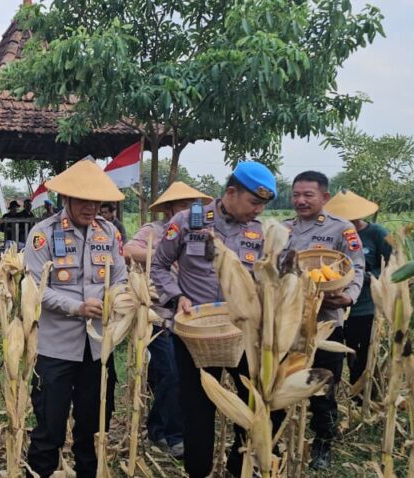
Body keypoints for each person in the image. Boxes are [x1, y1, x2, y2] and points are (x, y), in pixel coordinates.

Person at [150, 161, 278, 478]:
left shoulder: (261, 232)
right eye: (254, 202)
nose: (258, 210)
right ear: (231, 192)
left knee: (252, 400)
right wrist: (176, 297)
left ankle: (241, 465)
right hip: (195, 332)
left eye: (262, 204)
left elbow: (268, 278)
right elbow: (159, 266)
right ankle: (198, 469)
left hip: (242, 333)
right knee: (197, 407)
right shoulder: (187, 221)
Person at [24, 159, 127, 478]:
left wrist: (117, 297)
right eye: (84, 200)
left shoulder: (109, 232)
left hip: (98, 350)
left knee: (93, 431)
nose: (91, 206)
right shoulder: (42, 234)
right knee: (49, 431)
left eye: (97, 201)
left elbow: (121, 277)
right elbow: (33, 288)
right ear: (66, 198)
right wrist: (77, 307)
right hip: (56, 350)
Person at [284, 171, 365, 470]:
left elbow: (356, 266)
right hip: (289, 320)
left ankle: (323, 441)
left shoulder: (341, 229)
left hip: (326, 321)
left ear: (325, 197)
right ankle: (281, 436)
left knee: (323, 383)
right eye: (296, 194)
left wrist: (349, 297)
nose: (300, 200)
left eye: (308, 195)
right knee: (285, 377)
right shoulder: (284, 229)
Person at [123, 182, 211, 459]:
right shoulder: (155, 231)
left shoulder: (202, 234)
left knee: (179, 376)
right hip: (159, 317)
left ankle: (157, 429)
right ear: (170, 209)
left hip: (190, 318)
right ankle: (174, 436)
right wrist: (163, 253)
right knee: (171, 373)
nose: (188, 210)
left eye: (192, 205)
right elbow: (127, 251)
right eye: (182, 205)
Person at [323, 190, 392, 400]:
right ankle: (328, 401)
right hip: (332, 308)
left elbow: (396, 264)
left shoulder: (377, 234)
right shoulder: (332, 233)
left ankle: (363, 399)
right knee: (331, 357)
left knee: (360, 357)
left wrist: (371, 276)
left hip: (364, 306)